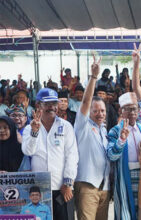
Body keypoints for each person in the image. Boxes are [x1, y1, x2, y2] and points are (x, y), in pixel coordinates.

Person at [22, 88, 78, 220]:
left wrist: (68, 183)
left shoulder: (66, 126)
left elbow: (72, 155)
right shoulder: (30, 128)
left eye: (54, 103)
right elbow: (27, 151)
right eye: (47, 104)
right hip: (40, 191)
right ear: (38, 105)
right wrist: (34, 133)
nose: (51, 107)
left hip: (62, 188)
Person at [74, 56, 111, 220]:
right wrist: (94, 77)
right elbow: (86, 102)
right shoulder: (83, 126)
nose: (100, 114)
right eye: (95, 111)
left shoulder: (103, 130)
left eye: (102, 111)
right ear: (89, 112)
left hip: (104, 187)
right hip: (87, 185)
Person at [107, 92, 141, 220]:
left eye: (135, 108)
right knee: (126, 213)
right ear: (121, 111)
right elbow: (111, 156)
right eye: (128, 109)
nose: (132, 112)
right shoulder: (114, 131)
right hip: (125, 177)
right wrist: (121, 140)